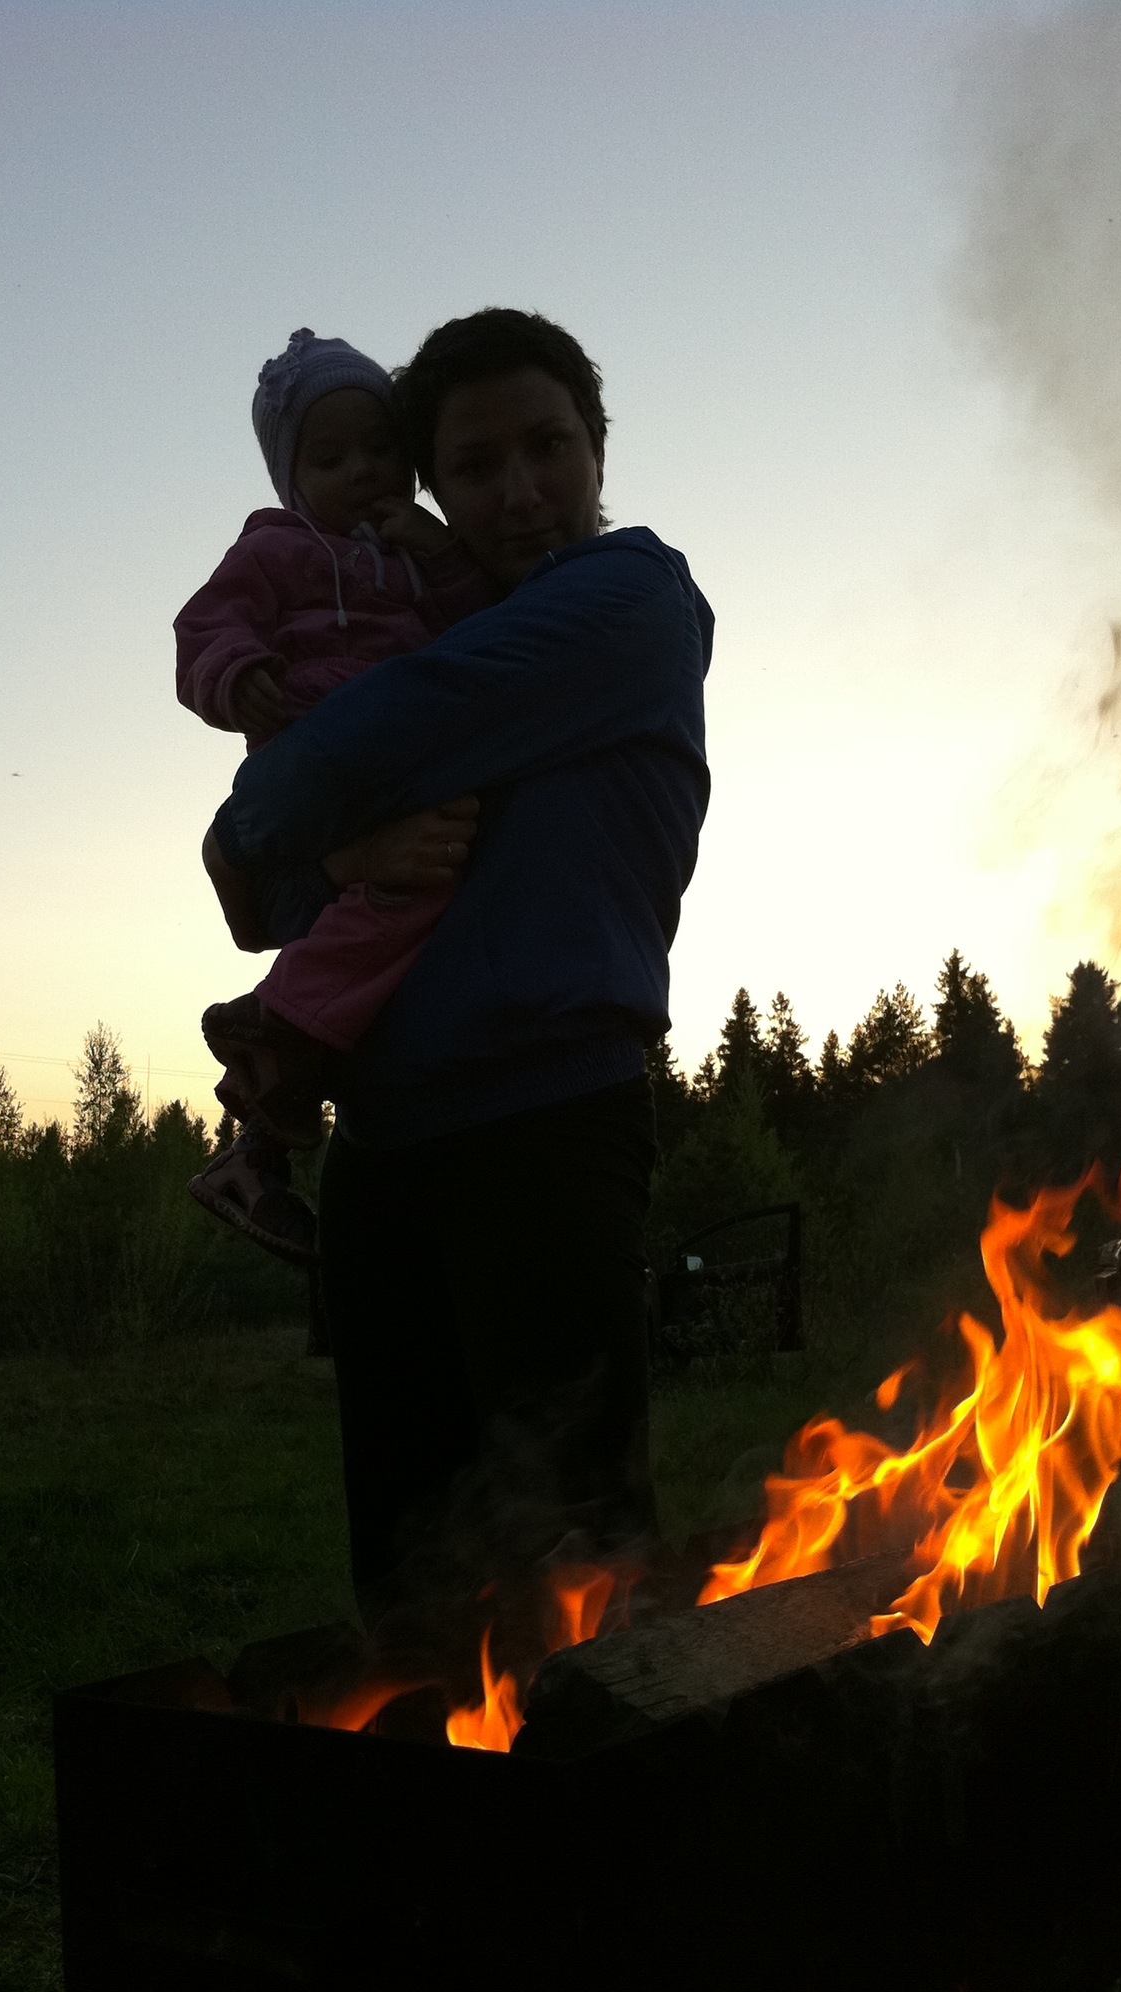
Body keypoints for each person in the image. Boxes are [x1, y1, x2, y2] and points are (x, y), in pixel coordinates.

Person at [203, 308, 712, 1624]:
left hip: (544, 1127)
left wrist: (255, 827)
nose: (520, 490)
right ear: (429, 491)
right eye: (475, 467)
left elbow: (362, 745)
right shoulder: (410, 632)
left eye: (548, 447)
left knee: (582, 1575)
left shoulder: (629, 601)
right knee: (411, 1582)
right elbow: (272, 910)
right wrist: (335, 849)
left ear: (597, 451)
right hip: (376, 1160)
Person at [175, 328, 493, 1262]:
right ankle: (276, 1038)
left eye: (380, 449)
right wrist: (238, 674)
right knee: (403, 890)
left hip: (395, 775)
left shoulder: (418, 557)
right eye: (330, 457)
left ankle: (260, 1131)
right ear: (291, 477)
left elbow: (487, 636)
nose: (362, 471)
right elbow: (206, 627)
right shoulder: (275, 546)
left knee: (405, 899)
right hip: (310, 749)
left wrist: (444, 557)